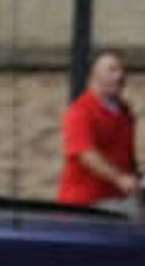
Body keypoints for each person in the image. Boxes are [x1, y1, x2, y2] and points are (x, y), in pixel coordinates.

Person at [56, 49, 140, 212]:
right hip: (84, 204)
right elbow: (86, 155)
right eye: (112, 70)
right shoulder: (81, 111)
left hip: (116, 200)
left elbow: (128, 156)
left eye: (122, 70)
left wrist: (135, 177)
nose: (119, 76)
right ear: (94, 76)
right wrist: (120, 179)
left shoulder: (125, 112)